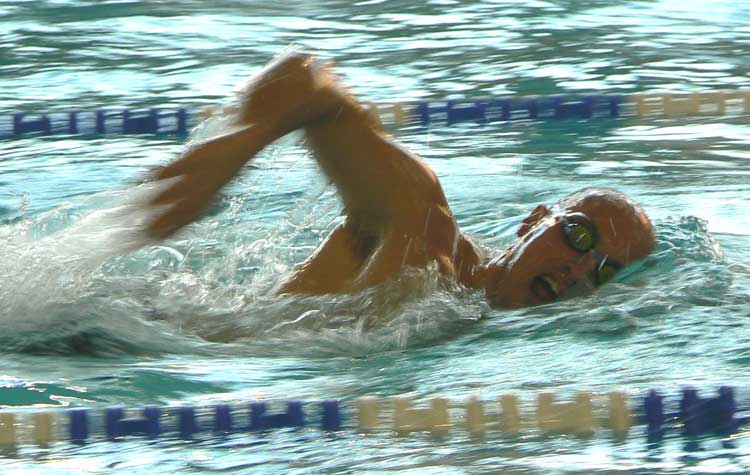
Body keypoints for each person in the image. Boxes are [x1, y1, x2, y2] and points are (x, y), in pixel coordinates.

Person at [141, 50, 655, 308]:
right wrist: (226, 157)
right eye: (579, 236)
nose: (578, 268)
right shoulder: (424, 230)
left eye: (603, 270)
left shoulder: (473, 317)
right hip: (138, 340)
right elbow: (304, 78)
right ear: (534, 221)